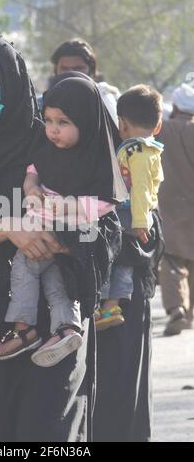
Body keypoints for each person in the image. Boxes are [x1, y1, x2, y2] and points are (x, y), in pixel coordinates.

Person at [0, 35, 125, 442]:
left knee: (48, 434)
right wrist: (6, 228)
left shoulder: (50, 140)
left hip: (55, 333)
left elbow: (106, 224)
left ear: (12, 83)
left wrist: (59, 233)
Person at [0, 77, 119, 367]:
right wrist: (30, 184)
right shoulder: (47, 149)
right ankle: (66, 328)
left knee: (23, 269)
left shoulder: (98, 160)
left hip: (69, 235)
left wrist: (65, 206)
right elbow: (34, 168)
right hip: (48, 230)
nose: (53, 130)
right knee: (55, 281)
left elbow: (104, 203)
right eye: (48, 120)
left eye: (63, 122)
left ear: (86, 123)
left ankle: (24, 329)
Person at [96, 84, 164, 331]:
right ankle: (111, 305)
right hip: (131, 213)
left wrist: (140, 220)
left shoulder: (137, 150)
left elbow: (142, 188)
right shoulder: (147, 149)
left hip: (128, 214)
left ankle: (106, 304)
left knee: (114, 257)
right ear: (158, 126)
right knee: (122, 259)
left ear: (121, 123)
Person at [158, 83, 194, 336]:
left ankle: (176, 309)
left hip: (169, 205)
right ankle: (190, 313)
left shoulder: (162, 131)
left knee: (171, 260)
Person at [50, 39, 120, 125]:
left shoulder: (108, 97)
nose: (71, 74)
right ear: (56, 70)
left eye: (78, 68)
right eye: (65, 69)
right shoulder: (42, 104)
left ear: (92, 70)